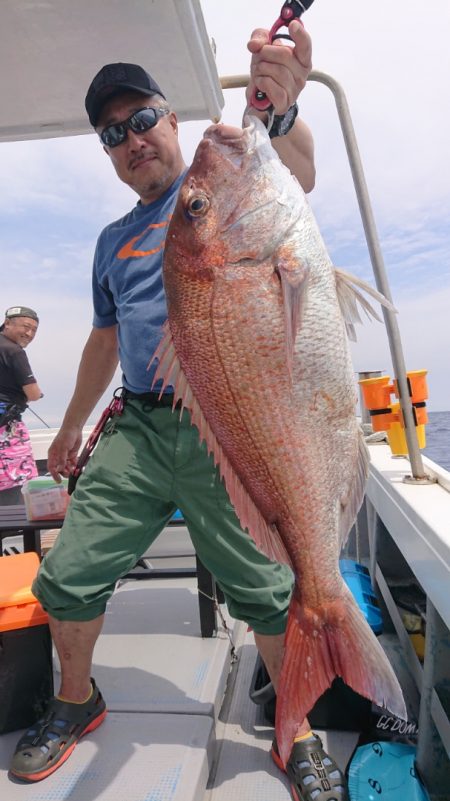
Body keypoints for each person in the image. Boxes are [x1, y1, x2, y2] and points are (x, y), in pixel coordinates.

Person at [9, 21, 349, 800]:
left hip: (225, 426)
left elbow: (293, 174)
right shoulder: (109, 241)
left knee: (267, 586)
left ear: (172, 119)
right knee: (67, 570)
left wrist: (280, 104)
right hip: (138, 424)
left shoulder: (225, 187)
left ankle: (293, 728)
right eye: (111, 133)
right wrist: (67, 424)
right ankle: (74, 699)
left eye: (140, 120)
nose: (131, 139)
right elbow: (105, 337)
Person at [0, 306, 43, 505]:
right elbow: (33, 393)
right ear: (7, 323)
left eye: (34, 330)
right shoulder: (13, 351)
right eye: (26, 327)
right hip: (6, 432)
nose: (29, 333)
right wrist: (37, 394)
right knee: (15, 489)